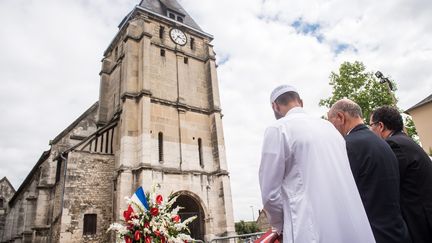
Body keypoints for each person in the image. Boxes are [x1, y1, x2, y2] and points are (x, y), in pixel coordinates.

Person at [259, 85, 375, 243]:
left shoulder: (278, 128)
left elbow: (270, 194)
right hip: (349, 223)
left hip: (308, 227)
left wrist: (279, 226)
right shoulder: (330, 128)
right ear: (301, 102)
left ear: (275, 106)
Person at [328, 99, 411, 243]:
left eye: (331, 122)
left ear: (341, 117)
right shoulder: (383, 142)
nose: (332, 128)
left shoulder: (346, 146)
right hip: (398, 232)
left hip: (373, 235)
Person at [370, 106, 432, 243]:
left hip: (420, 219)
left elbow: (387, 183)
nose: (370, 130)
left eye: (371, 125)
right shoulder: (404, 140)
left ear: (380, 126)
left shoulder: (393, 145)